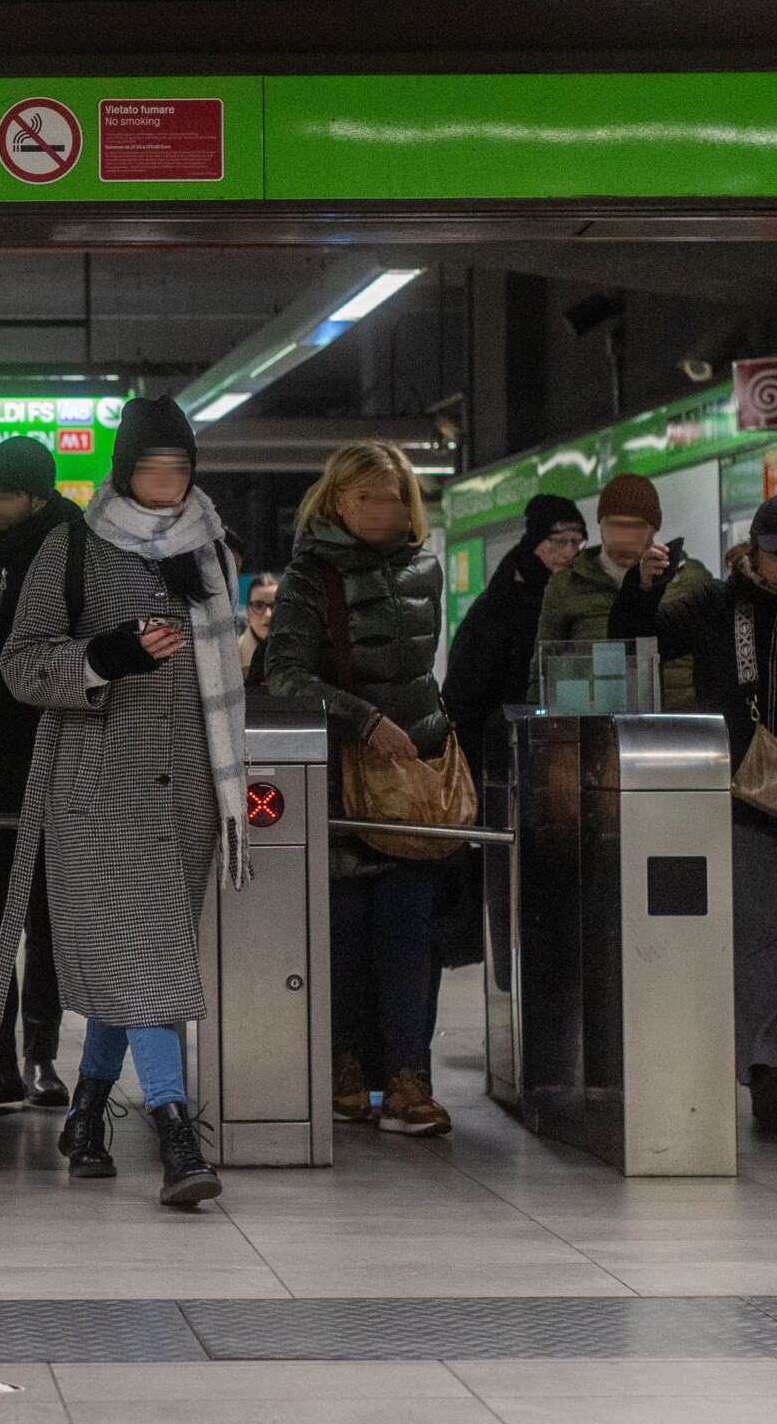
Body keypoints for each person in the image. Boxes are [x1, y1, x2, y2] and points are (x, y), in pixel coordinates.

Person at [0, 396, 251, 1209]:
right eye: (151, 469)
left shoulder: (214, 547)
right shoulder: (71, 544)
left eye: (180, 469)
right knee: (148, 960)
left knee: (139, 965)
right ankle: (176, 1134)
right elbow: (22, 664)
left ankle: (86, 1110)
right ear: (122, 468)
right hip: (97, 788)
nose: (167, 484)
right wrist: (107, 656)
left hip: (189, 793)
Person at [612, 489, 777, 1134]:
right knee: (765, 933)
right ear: (754, 552)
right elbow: (634, 636)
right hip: (736, 800)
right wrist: (640, 589)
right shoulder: (717, 605)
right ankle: (771, 1065)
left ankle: (771, 1056)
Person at [266, 442, 461, 1138]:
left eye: (390, 496)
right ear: (336, 500)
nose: (380, 510)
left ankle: (408, 1079)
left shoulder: (424, 566)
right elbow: (283, 673)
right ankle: (344, 1069)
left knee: (411, 936)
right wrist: (364, 717)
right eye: (364, 497)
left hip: (415, 777)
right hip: (342, 780)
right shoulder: (309, 576)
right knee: (346, 936)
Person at [0, 436, 77, 1109]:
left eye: (2, 491)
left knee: (48, 916)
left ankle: (42, 1056)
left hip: (51, 756)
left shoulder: (74, 557)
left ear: (34, 495)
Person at [538, 472, 710, 710]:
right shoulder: (567, 584)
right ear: (601, 525)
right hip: (599, 723)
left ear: (653, 530)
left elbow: (714, 656)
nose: (624, 538)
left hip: (681, 725)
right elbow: (543, 671)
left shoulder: (691, 577)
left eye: (635, 527)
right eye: (615, 526)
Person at [443, 494, 587, 767]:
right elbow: (468, 689)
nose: (570, 552)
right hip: (499, 745)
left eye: (576, 542)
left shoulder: (575, 595)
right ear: (535, 543)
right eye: (559, 542)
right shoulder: (501, 602)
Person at [236, 572, 278, 688]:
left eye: (275, 605)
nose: (268, 614)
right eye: (259, 606)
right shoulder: (233, 658)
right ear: (248, 611)